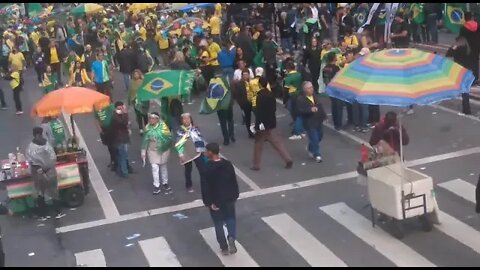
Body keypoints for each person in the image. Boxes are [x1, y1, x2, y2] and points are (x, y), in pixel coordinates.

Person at [202, 142, 239, 256]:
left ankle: (223, 247)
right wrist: (235, 195)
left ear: (210, 152)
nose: (205, 152)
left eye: (206, 151)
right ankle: (231, 237)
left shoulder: (208, 167)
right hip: (229, 197)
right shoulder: (227, 164)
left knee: (218, 222)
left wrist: (208, 201)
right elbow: (233, 180)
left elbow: (206, 186)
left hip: (215, 199)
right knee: (230, 218)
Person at [252, 77, 293, 170]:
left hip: (262, 124)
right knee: (276, 142)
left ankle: (256, 164)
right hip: (271, 122)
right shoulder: (270, 94)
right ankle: (287, 158)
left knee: (258, 144)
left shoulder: (260, 96)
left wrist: (257, 125)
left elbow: (259, 112)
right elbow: (274, 109)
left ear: (259, 84)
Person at [26, 127, 65, 221]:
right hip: (50, 171)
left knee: (40, 193)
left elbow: (30, 160)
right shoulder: (47, 144)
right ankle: (58, 212)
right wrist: (47, 167)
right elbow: (53, 157)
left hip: (38, 173)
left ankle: (43, 214)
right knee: (54, 191)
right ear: (40, 134)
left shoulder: (31, 147)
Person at [141, 112, 173, 195]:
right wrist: (143, 151)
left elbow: (169, 138)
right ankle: (156, 185)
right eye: (150, 118)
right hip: (152, 151)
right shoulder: (147, 128)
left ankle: (165, 183)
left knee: (163, 167)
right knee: (154, 167)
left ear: (157, 119)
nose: (151, 120)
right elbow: (145, 140)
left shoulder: (163, 127)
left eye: (152, 118)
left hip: (163, 150)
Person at [296, 81, 327, 163]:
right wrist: (310, 110)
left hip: (318, 120)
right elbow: (300, 111)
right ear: (304, 90)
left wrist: (324, 116)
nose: (311, 89)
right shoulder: (300, 99)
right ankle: (317, 155)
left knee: (320, 136)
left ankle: (310, 147)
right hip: (309, 122)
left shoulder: (315, 96)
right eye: (309, 88)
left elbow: (320, 106)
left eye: (312, 87)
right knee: (315, 138)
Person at [176, 113, 207, 192]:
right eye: (184, 119)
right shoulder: (180, 131)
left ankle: (205, 184)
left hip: (197, 151)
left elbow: (201, 138)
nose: (186, 120)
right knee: (188, 170)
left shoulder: (195, 128)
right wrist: (181, 154)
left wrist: (204, 149)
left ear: (191, 119)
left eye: (188, 118)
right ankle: (188, 185)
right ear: (182, 121)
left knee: (202, 168)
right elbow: (178, 144)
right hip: (187, 153)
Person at [446, 36, 473, 115]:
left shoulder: (457, 49)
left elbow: (448, 54)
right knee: (465, 90)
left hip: (460, 71)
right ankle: (466, 110)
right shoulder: (468, 48)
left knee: (464, 91)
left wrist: (452, 48)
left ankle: (466, 111)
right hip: (468, 70)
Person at [283, 61, 305, 140]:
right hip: (300, 95)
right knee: (299, 113)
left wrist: (284, 100)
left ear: (288, 69)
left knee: (295, 114)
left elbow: (286, 89)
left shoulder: (288, 77)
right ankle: (301, 131)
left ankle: (297, 132)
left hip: (293, 96)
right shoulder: (299, 74)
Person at [458, 11, 480, 85]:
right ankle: (476, 78)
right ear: (471, 17)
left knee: (466, 63)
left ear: (465, 18)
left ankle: (467, 79)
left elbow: (461, 39)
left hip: (467, 48)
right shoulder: (478, 25)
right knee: (475, 62)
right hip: (477, 47)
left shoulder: (463, 28)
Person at [111, 101, 131, 178]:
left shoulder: (117, 115)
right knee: (123, 155)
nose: (121, 109)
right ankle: (124, 172)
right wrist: (125, 113)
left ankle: (120, 170)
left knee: (121, 155)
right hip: (119, 139)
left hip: (121, 138)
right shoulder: (115, 116)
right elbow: (123, 122)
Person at [232, 69, 254, 138]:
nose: (245, 76)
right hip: (245, 103)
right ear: (241, 76)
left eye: (246, 74)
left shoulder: (253, 82)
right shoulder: (239, 84)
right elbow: (236, 95)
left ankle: (260, 131)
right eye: (244, 75)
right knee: (248, 118)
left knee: (259, 116)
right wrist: (241, 103)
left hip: (254, 102)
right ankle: (250, 132)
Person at [127, 69, 149, 135]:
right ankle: (141, 128)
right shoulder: (131, 82)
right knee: (138, 115)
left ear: (139, 75)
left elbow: (148, 89)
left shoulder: (143, 81)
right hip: (135, 101)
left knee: (145, 114)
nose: (135, 75)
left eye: (137, 74)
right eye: (134, 74)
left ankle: (147, 127)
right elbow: (130, 92)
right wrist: (129, 101)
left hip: (144, 100)